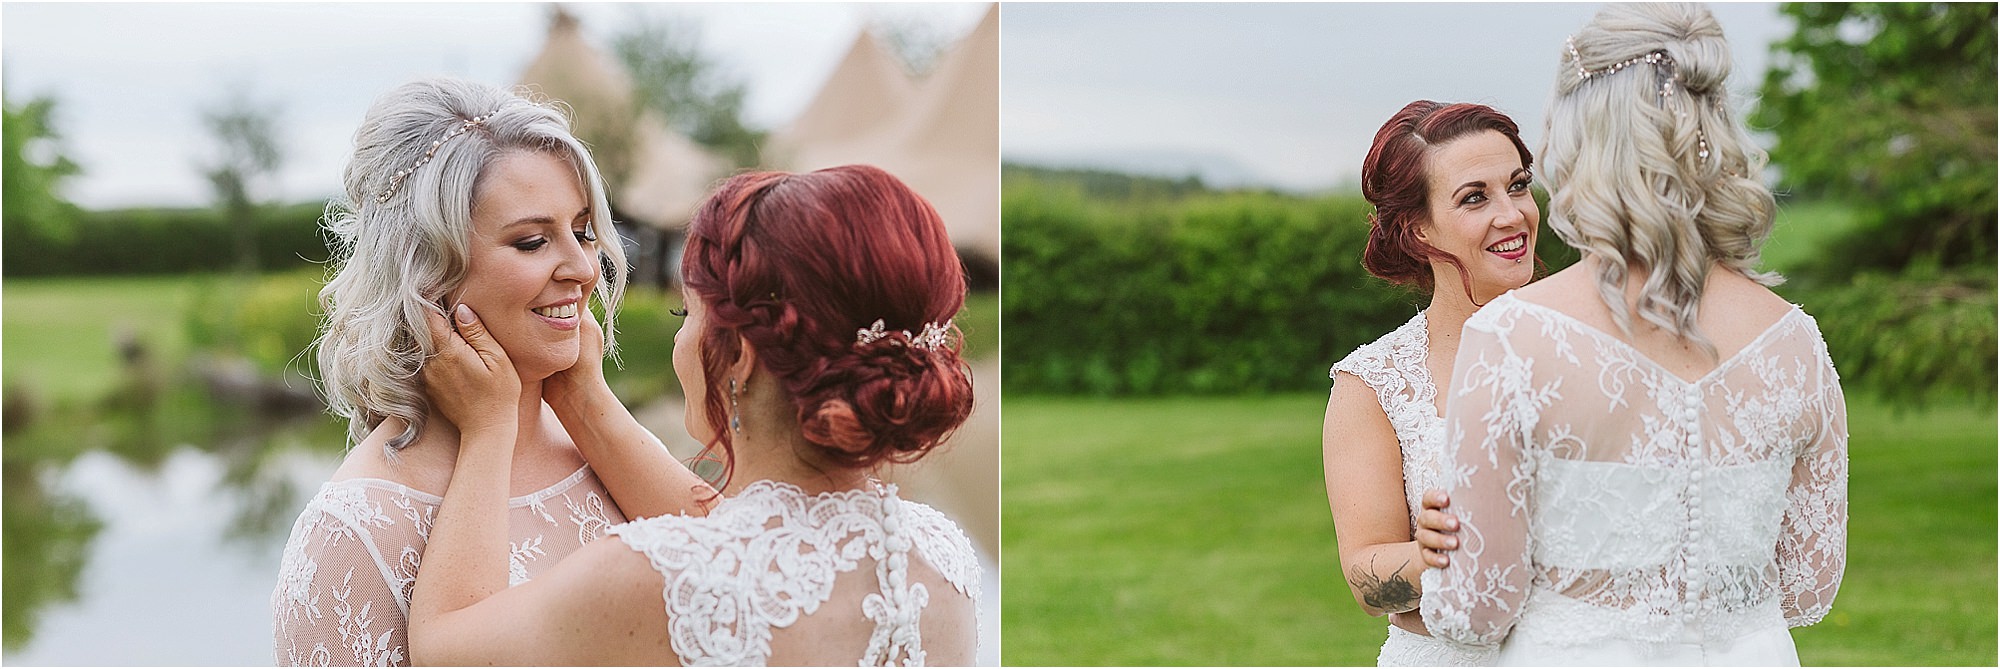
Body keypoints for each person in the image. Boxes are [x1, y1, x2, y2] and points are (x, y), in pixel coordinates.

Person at [404, 165, 983, 666]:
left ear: (741, 357)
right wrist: (583, 400)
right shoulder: (939, 559)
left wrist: (489, 427)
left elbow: (441, 646)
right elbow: (744, 534)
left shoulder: (650, 576)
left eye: (689, 312)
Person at [1418, 4, 1847, 665]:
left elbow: (1480, 610)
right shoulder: (1795, 341)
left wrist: (1431, 567)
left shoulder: (1511, 337)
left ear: (1580, 140)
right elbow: (1808, 589)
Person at [269, 77, 709, 667]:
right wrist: (491, 428)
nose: (582, 267)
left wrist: (587, 400)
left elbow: (741, 583)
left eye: (581, 232)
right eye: (532, 241)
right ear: (427, 271)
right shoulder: (355, 534)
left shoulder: (603, 448)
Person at [1324, 100, 1539, 666]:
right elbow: (1367, 580)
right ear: (1418, 230)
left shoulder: (1602, 342)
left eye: (1518, 186)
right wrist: (1432, 557)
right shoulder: (1375, 383)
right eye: (1475, 197)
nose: (1513, 214)